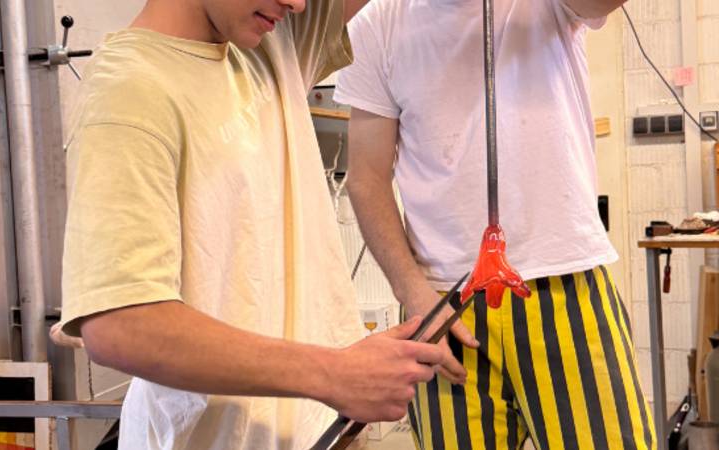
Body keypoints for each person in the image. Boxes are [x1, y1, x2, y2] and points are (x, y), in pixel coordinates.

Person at [58, 0, 448, 448]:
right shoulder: (130, 93)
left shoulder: (268, 42)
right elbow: (121, 326)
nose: (299, 4)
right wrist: (334, 373)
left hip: (319, 432)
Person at [334, 0, 656, 448]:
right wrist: (412, 292)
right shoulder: (378, 22)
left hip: (564, 285)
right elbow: (366, 179)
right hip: (444, 305)